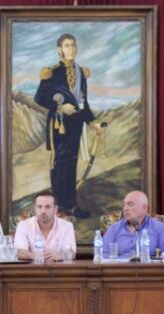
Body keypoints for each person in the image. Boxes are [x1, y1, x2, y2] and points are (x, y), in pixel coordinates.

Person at [34, 33, 104, 218]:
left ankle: (71, 205)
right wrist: (60, 106)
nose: (71, 49)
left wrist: (93, 122)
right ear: (60, 50)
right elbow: (39, 97)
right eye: (67, 45)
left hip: (76, 125)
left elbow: (83, 103)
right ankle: (57, 208)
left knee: (71, 164)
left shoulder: (81, 73)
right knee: (59, 165)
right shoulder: (52, 72)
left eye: (73, 45)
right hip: (58, 124)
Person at [102, 190, 164, 258]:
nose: (125, 208)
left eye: (130, 204)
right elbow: (103, 254)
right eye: (124, 205)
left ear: (144, 208)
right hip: (121, 267)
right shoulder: (114, 228)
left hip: (149, 267)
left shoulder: (158, 227)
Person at [14, 191, 76, 262]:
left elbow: (71, 252)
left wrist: (59, 256)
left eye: (47, 207)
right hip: (31, 268)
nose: (43, 211)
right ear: (35, 208)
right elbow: (19, 252)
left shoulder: (67, 226)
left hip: (58, 268)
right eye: (39, 207)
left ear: (55, 209)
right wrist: (36, 256)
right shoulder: (23, 225)